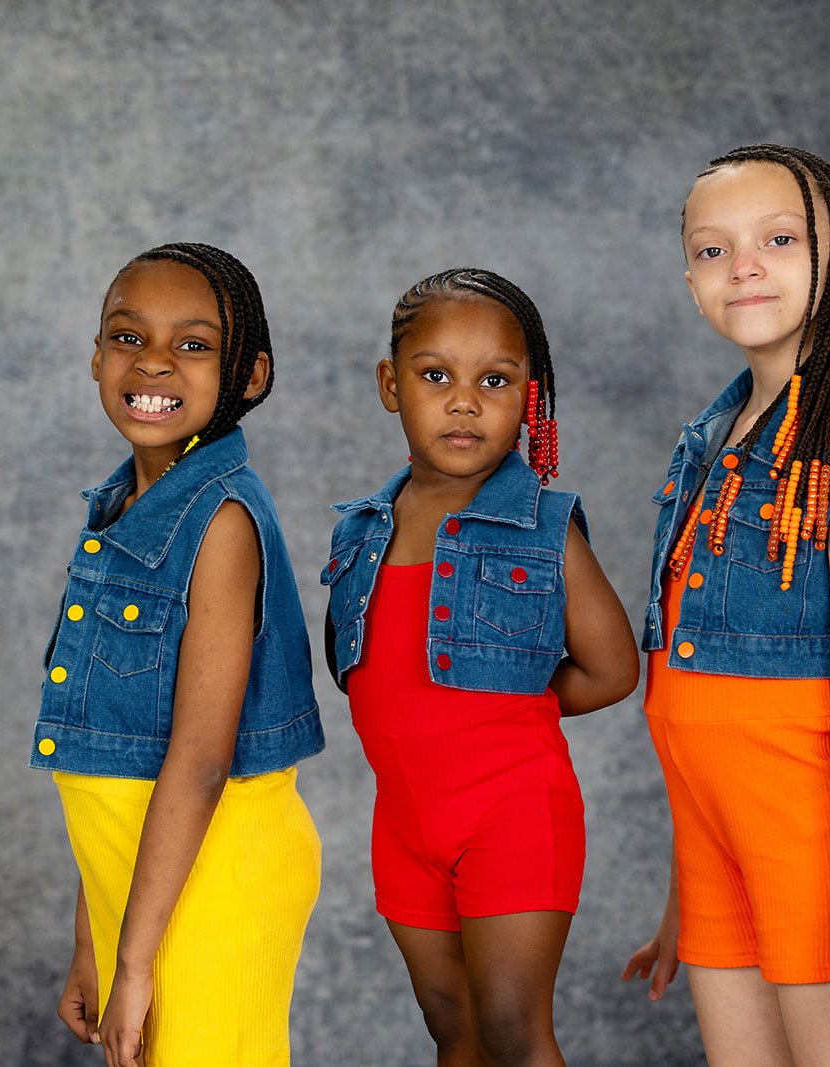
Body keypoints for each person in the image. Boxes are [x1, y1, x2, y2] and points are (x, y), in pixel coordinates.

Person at [620, 145, 830, 1067]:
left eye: (778, 238)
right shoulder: (711, 439)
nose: (745, 266)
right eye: (712, 249)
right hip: (713, 845)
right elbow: (693, 706)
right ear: (690, 280)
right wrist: (682, 898)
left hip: (811, 838)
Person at [322, 268, 640, 1066]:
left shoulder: (543, 528)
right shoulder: (363, 529)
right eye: (436, 376)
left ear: (528, 399)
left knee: (511, 1029)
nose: (464, 400)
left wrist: (507, 703)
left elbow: (612, 670)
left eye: (493, 380)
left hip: (513, 815)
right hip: (403, 824)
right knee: (453, 1029)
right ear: (391, 386)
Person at [29, 242, 325, 1067]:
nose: (153, 361)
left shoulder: (220, 522)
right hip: (143, 881)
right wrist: (95, 935)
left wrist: (134, 962)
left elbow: (196, 761)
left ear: (250, 373)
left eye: (193, 345)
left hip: (217, 879)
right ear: (96, 355)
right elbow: (113, 743)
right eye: (128, 336)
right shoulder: (128, 508)